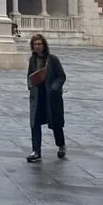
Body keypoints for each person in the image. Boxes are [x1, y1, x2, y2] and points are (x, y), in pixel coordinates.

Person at [26, 34, 66, 162]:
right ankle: (36, 151)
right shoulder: (32, 60)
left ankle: (61, 145)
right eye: (35, 44)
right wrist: (30, 85)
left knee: (55, 123)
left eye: (39, 44)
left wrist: (54, 88)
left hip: (51, 96)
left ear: (44, 45)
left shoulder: (52, 59)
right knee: (35, 123)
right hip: (38, 95)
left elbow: (61, 76)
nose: (37, 46)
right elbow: (29, 75)